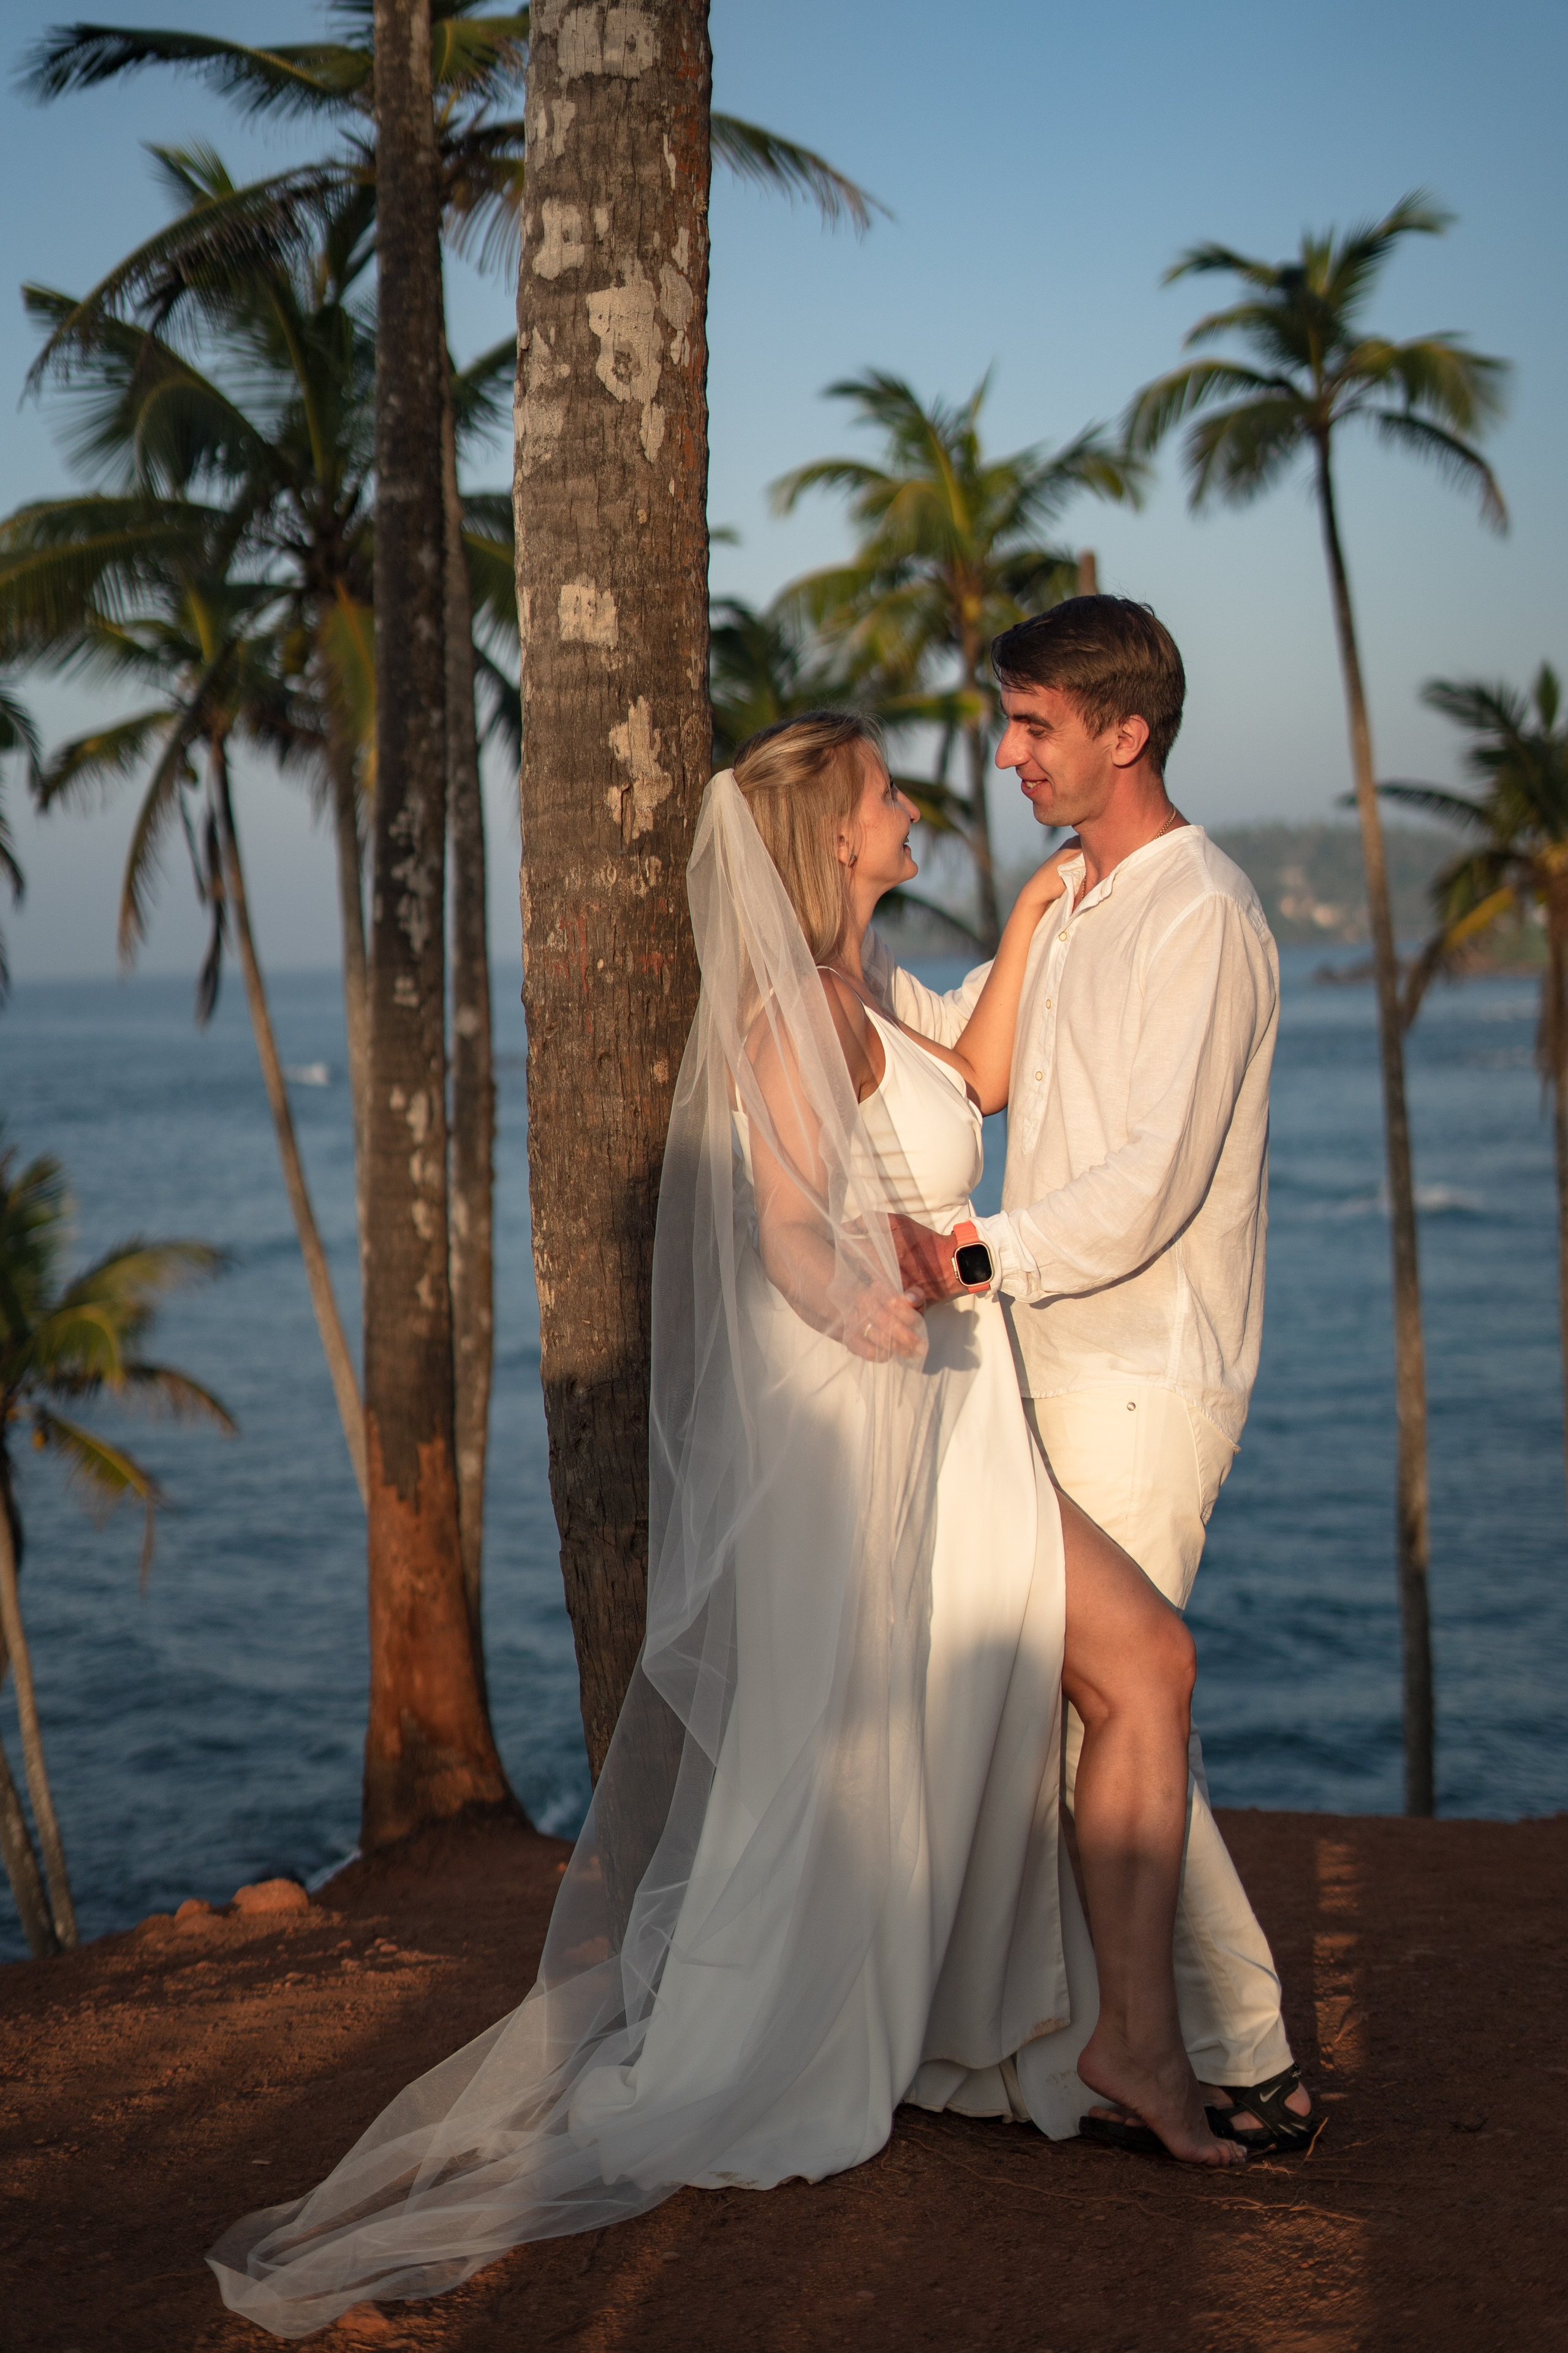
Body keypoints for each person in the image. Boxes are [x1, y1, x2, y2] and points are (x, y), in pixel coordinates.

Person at [210, 710, 1243, 2341]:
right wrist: (859, 1304)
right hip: (895, 1427)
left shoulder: (871, 992)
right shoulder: (783, 1014)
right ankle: (1060, 2037)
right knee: (902, 1741)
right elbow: (776, 1221)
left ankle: (1104, 2034)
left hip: (965, 1429)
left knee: (1102, 1681)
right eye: (893, 792)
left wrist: (1041, 917)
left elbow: (974, 1073)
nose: (917, 808)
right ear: (840, 833)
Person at [876, 596, 1316, 2154]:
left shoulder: (1201, 913)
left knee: (1114, 1700)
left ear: (1124, 733)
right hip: (1038, 1365)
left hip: (1140, 1373)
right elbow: (977, 1058)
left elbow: (1149, 1184)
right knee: (1081, 1710)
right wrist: (808, 964)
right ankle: (1142, 2043)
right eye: (1007, 725)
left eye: (1032, 727)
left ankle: (1242, 2052)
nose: (1005, 757)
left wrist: (965, 1255)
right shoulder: (1067, 898)